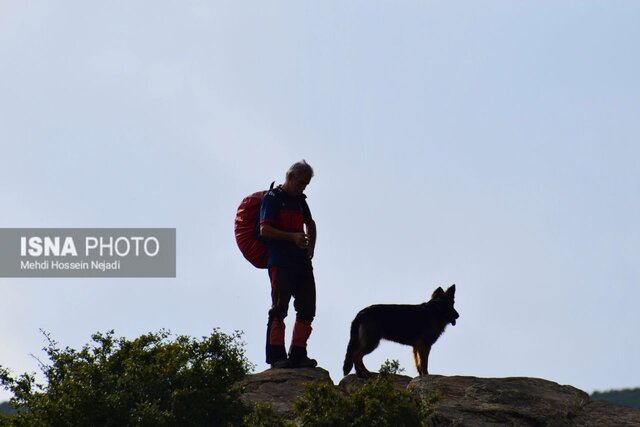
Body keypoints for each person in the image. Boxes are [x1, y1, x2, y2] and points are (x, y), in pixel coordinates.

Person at [259, 160, 318, 368]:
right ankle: (276, 357)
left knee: (307, 308)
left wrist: (311, 246)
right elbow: (264, 230)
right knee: (279, 308)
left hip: (301, 262)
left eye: (306, 185)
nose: (302, 187)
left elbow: (311, 224)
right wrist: (292, 237)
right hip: (280, 261)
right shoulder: (273, 198)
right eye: (301, 183)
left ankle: (298, 354)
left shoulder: (301, 201)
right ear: (290, 177)